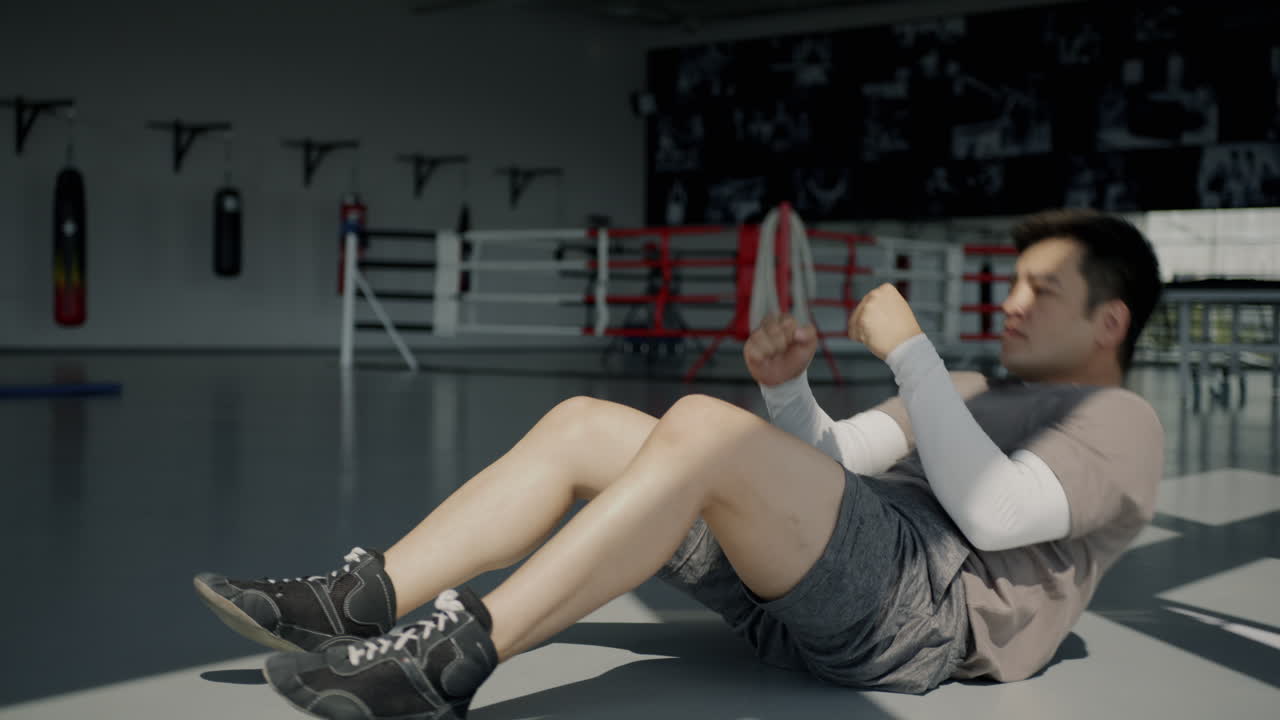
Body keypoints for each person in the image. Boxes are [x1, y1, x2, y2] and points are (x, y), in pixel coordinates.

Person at [195, 208, 1165, 720]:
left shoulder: (1119, 419)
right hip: (828, 579)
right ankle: (362, 596)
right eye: (1015, 281)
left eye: (1043, 289)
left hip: (920, 612)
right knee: (584, 422)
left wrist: (910, 356)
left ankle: (451, 663)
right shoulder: (970, 384)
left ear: (1107, 321)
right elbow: (829, 465)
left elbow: (994, 513)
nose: (1010, 302)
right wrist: (788, 395)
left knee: (700, 426)